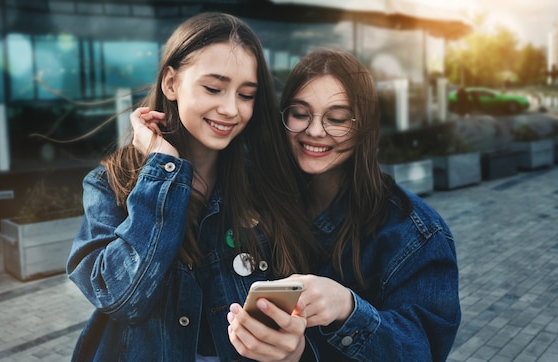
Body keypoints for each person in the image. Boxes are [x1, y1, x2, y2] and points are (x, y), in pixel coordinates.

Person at [66, 12, 319, 361]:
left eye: (246, 95)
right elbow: (122, 298)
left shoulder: (264, 183)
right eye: (213, 88)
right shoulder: (111, 184)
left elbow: (297, 299)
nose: (230, 109)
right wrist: (164, 171)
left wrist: (293, 347)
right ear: (171, 83)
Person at [226, 48, 461, 361]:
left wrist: (347, 307)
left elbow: (425, 351)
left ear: (364, 126)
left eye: (336, 118)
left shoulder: (416, 233)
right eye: (300, 113)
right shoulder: (256, 195)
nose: (314, 130)